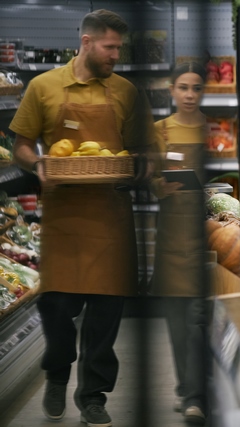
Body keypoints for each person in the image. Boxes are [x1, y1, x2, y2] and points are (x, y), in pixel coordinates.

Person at [9, 9, 154, 427]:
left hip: (110, 213)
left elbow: (143, 149)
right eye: (110, 47)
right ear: (87, 42)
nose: (116, 55)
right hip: (63, 215)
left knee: (106, 314)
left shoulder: (127, 91)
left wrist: (143, 165)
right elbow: (21, 143)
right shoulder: (44, 86)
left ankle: (93, 394)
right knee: (56, 307)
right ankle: (57, 372)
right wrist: (36, 164)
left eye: (119, 48)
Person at [149, 61, 209, 425]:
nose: (189, 95)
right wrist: (159, 186)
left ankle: (194, 393)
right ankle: (187, 387)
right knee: (177, 320)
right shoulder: (158, 131)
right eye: (183, 87)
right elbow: (150, 180)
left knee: (199, 320)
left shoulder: (215, 130)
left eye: (197, 88)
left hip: (210, 236)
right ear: (172, 90)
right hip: (172, 236)